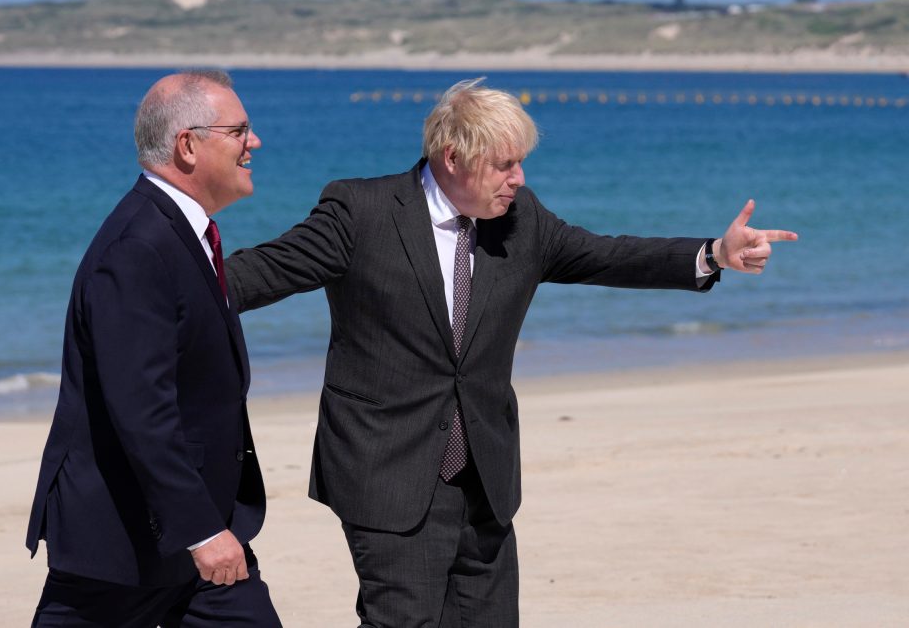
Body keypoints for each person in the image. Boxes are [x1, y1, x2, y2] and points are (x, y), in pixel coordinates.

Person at [223, 78, 798, 627]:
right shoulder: (361, 212)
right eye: (504, 164)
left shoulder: (522, 223)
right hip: (385, 468)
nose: (517, 179)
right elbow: (265, 271)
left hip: (485, 475)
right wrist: (157, 293)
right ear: (453, 158)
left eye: (520, 163)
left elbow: (608, 255)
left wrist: (714, 253)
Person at [26, 70, 281, 627]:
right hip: (124, 540)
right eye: (238, 130)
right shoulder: (138, 247)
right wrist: (201, 530)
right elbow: (141, 407)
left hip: (192, 532)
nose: (253, 142)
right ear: (189, 145)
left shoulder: (183, 231)